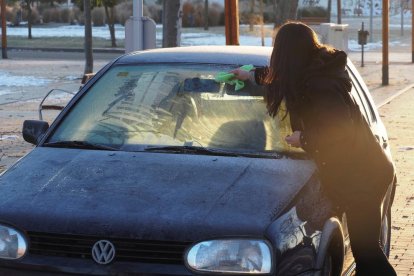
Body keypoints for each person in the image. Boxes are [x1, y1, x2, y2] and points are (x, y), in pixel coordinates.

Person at [231, 22, 396, 276]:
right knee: (366, 253)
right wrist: (251, 75)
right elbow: (284, 78)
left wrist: (305, 139)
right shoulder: (312, 72)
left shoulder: (321, 86)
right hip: (363, 171)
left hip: (365, 176)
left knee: (367, 253)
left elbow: (340, 132)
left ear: (286, 52)